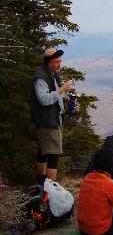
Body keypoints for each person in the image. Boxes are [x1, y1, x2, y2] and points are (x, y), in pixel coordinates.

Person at [31, 48, 74, 184]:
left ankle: (42, 184)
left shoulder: (51, 73)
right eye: (56, 62)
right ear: (48, 62)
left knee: (43, 152)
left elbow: (54, 94)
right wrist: (62, 90)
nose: (59, 64)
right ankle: (51, 191)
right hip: (48, 121)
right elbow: (43, 99)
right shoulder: (41, 77)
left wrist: (65, 96)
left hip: (52, 118)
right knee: (54, 155)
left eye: (60, 61)